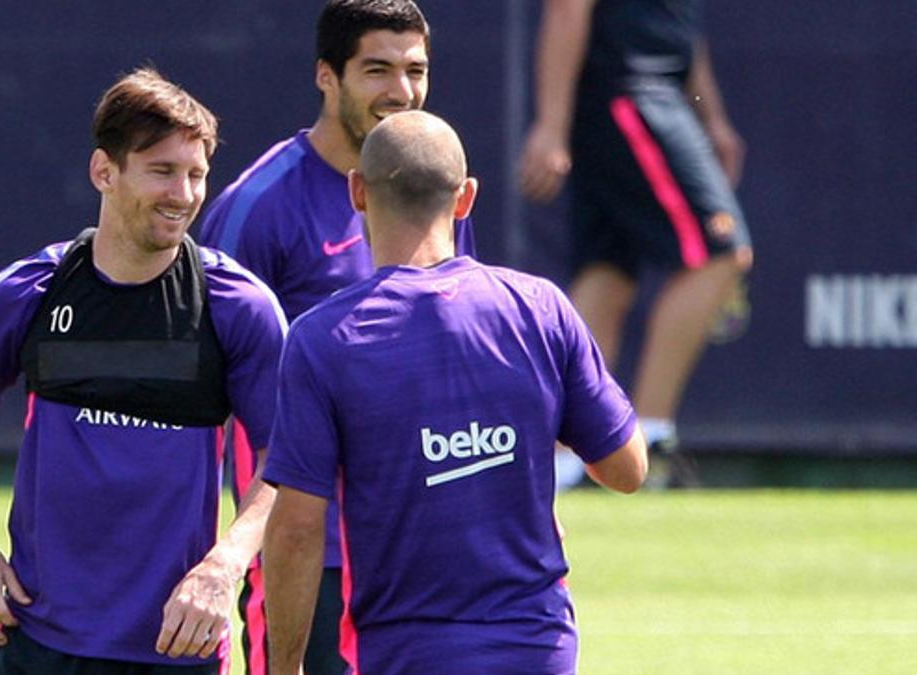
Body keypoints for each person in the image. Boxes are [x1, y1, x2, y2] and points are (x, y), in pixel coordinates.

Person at [261, 110, 647, 674]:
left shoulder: (323, 338)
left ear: (358, 192)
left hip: (405, 652)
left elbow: (296, 528)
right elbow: (626, 469)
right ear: (465, 198)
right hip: (537, 646)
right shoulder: (539, 309)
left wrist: (285, 667)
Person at [0, 68, 287, 674]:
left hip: (179, 649)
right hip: (40, 644)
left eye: (196, 174)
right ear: (105, 171)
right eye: (162, 171)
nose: (184, 193)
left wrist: (224, 567)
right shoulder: (29, 294)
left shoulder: (237, 307)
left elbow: (289, 461)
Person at [196, 2, 474, 672]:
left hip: (417, 538)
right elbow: (205, 380)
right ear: (328, 76)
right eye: (376, 69)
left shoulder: (431, 184)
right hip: (303, 548)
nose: (401, 92)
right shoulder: (258, 205)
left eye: (415, 70)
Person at [518, 0, 754, 487]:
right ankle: (645, 439)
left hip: (648, 93)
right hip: (629, 91)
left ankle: (564, 457)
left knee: (608, 271)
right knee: (721, 252)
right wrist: (551, 126)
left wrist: (712, 119)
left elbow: (684, 26)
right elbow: (567, 10)